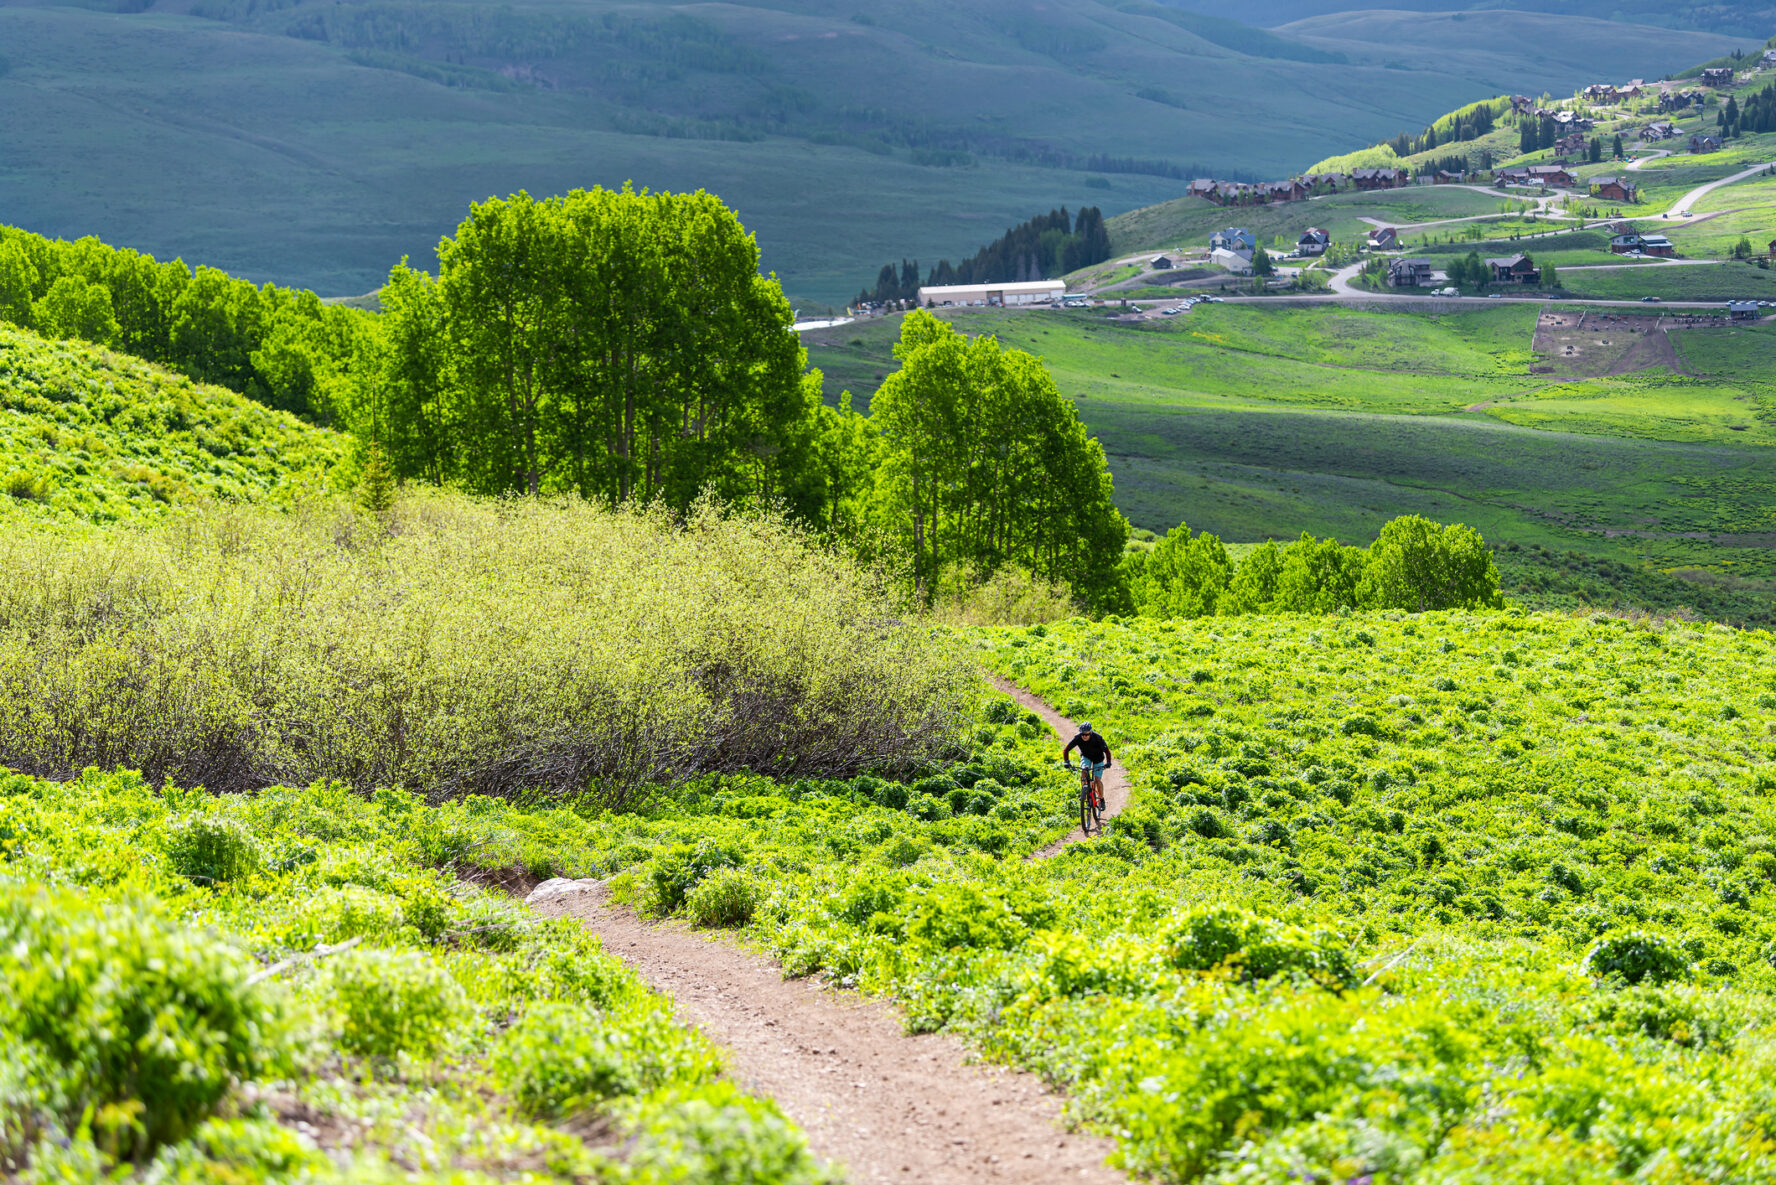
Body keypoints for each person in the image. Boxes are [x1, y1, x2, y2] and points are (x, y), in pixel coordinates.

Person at [1062, 722, 1112, 811]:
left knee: (1097, 780)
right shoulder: (1077, 738)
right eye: (1082, 734)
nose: (1084, 736)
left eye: (1086, 734)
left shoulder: (1097, 738)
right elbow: (1066, 750)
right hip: (1086, 757)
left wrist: (1108, 762)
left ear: (1090, 733)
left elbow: (1107, 751)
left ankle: (1101, 799)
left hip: (1098, 759)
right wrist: (1067, 762)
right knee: (1084, 770)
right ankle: (1084, 792)